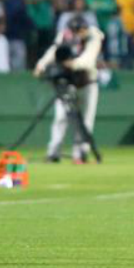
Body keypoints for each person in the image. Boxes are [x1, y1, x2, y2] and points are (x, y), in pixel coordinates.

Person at [34, 16, 104, 164]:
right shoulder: (65, 35)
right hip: (69, 83)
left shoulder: (93, 36)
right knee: (60, 117)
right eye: (75, 30)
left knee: (85, 121)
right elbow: (54, 51)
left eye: (80, 30)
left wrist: (72, 63)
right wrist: (42, 64)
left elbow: (89, 60)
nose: (78, 33)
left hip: (87, 83)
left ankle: (80, 154)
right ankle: (53, 152)